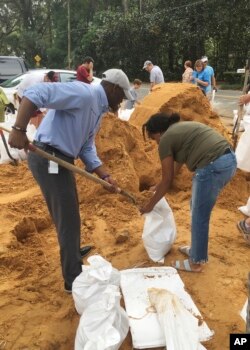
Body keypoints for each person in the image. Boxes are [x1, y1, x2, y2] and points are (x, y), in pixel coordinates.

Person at [8, 68, 133, 292]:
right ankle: (72, 279)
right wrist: (18, 128)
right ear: (113, 88)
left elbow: (86, 148)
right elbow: (35, 93)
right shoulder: (84, 94)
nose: (122, 100)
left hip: (61, 158)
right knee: (68, 218)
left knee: (71, 211)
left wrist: (105, 175)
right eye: (122, 94)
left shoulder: (97, 110)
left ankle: (72, 252)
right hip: (49, 158)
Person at [140, 112, 237, 272]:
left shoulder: (165, 139)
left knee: (199, 215)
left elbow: (168, 180)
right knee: (196, 208)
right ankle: (196, 251)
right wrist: (158, 186)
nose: (155, 142)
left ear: (158, 132)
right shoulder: (178, 130)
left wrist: (150, 205)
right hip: (228, 161)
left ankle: (196, 262)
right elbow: (175, 169)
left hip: (212, 165)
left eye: (152, 138)